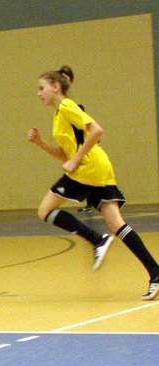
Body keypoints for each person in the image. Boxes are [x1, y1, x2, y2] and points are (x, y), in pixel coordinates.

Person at [28, 65, 159, 300]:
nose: (38, 93)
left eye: (41, 88)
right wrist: (41, 144)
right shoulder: (59, 115)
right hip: (98, 167)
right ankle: (156, 274)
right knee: (116, 223)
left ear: (55, 86)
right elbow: (65, 155)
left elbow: (97, 131)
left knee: (45, 210)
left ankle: (97, 240)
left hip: (87, 168)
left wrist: (76, 160)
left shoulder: (67, 106)